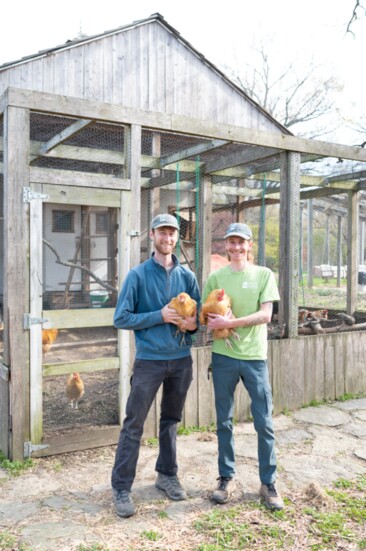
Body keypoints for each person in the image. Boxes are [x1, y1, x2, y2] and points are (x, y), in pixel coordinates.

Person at [111, 213, 200, 518]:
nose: (168, 238)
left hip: (180, 361)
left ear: (178, 237)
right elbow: (121, 318)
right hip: (149, 361)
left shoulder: (187, 277)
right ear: (152, 235)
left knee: (171, 421)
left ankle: (166, 475)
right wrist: (158, 316)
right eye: (162, 232)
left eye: (173, 233)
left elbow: (196, 321)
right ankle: (122, 487)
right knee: (134, 424)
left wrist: (190, 325)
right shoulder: (137, 276)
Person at [203, 222, 283, 510]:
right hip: (223, 355)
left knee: (264, 421)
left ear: (250, 245)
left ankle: (268, 483)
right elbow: (207, 315)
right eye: (231, 242)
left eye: (241, 242)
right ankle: (226, 477)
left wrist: (230, 322)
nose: (236, 247)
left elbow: (265, 315)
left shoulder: (263, 274)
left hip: (254, 357)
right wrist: (218, 316)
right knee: (224, 420)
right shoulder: (217, 277)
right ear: (225, 245)